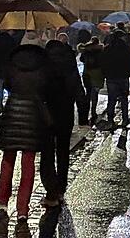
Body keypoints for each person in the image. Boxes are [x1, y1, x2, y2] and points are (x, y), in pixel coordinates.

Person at [0, 45, 52, 238]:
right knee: (28, 166)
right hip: (32, 116)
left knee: (7, 162)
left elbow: (8, 85)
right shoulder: (42, 66)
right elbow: (46, 89)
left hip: (12, 113)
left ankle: (2, 205)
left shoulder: (12, 64)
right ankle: (22, 213)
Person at [40, 39, 85, 209]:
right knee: (63, 152)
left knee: (47, 154)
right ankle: (61, 188)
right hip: (65, 114)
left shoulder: (44, 65)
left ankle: (51, 191)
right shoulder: (69, 65)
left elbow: (38, 90)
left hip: (46, 116)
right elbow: (78, 90)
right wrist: (83, 116)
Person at [100, 32, 130, 128]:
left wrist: (106, 74)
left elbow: (102, 63)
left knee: (111, 99)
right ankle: (124, 119)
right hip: (123, 77)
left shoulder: (107, 49)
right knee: (124, 99)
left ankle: (110, 120)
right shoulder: (127, 49)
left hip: (111, 78)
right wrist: (128, 73)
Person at [78, 37, 104, 125]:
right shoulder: (101, 50)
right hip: (97, 73)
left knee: (88, 93)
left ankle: (85, 112)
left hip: (86, 73)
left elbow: (81, 59)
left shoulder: (86, 50)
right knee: (95, 93)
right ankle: (93, 111)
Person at [0, 30, 16, 115]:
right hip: (8, 66)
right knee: (9, 85)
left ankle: (0, 103)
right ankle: (9, 104)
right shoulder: (11, 40)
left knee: (0, 85)